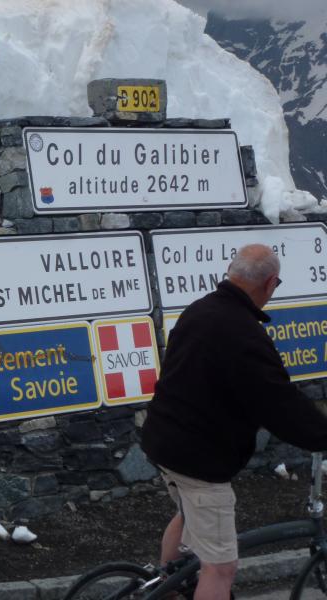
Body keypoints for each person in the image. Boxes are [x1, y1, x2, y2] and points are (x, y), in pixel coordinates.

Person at [141, 243, 327, 600]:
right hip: (199, 461)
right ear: (270, 283)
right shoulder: (242, 333)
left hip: (164, 441)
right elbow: (278, 402)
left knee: (187, 515)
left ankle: (165, 584)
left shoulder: (200, 310)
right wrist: (321, 435)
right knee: (221, 567)